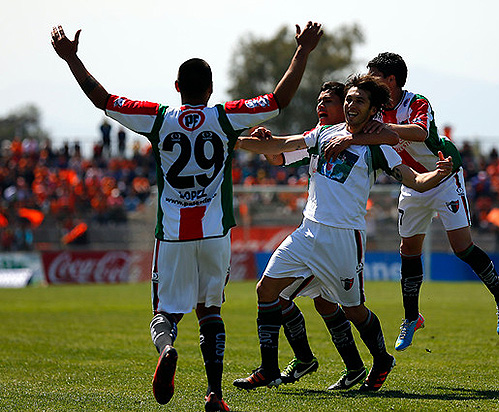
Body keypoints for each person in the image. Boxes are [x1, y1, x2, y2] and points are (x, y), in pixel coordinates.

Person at [51, 22, 323, 411]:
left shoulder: (159, 118)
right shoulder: (225, 116)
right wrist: (303, 51)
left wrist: (71, 58)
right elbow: (279, 99)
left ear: (177, 87)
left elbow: (103, 98)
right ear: (210, 89)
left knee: (165, 313)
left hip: (173, 232)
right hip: (215, 232)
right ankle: (215, 394)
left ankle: (167, 349)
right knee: (210, 310)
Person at [232, 74, 454, 392]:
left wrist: (436, 174)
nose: (350, 104)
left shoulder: (379, 146)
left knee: (353, 310)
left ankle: (381, 359)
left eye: (358, 100)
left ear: (374, 109)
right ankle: (269, 369)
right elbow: (282, 147)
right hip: (307, 231)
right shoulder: (323, 133)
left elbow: (415, 181)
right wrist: (234, 140)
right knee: (265, 291)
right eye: (348, 99)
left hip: (343, 239)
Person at [346, 52, 499, 351]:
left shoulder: (416, 103)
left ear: (391, 80)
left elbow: (420, 132)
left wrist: (385, 131)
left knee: (462, 247)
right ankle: (412, 318)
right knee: (408, 251)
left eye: (373, 77)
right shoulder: (375, 110)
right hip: (412, 182)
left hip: (444, 174)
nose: (369, 83)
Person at [264, 81, 369, 390]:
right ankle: (320, 361)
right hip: (312, 234)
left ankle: (373, 361)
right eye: (319, 101)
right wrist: (268, 144)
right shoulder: (317, 136)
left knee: (346, 307)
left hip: (339, 237)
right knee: (292, 297)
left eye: (329, 101)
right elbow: (279, 158)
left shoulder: (362, 140)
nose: (320, 106)